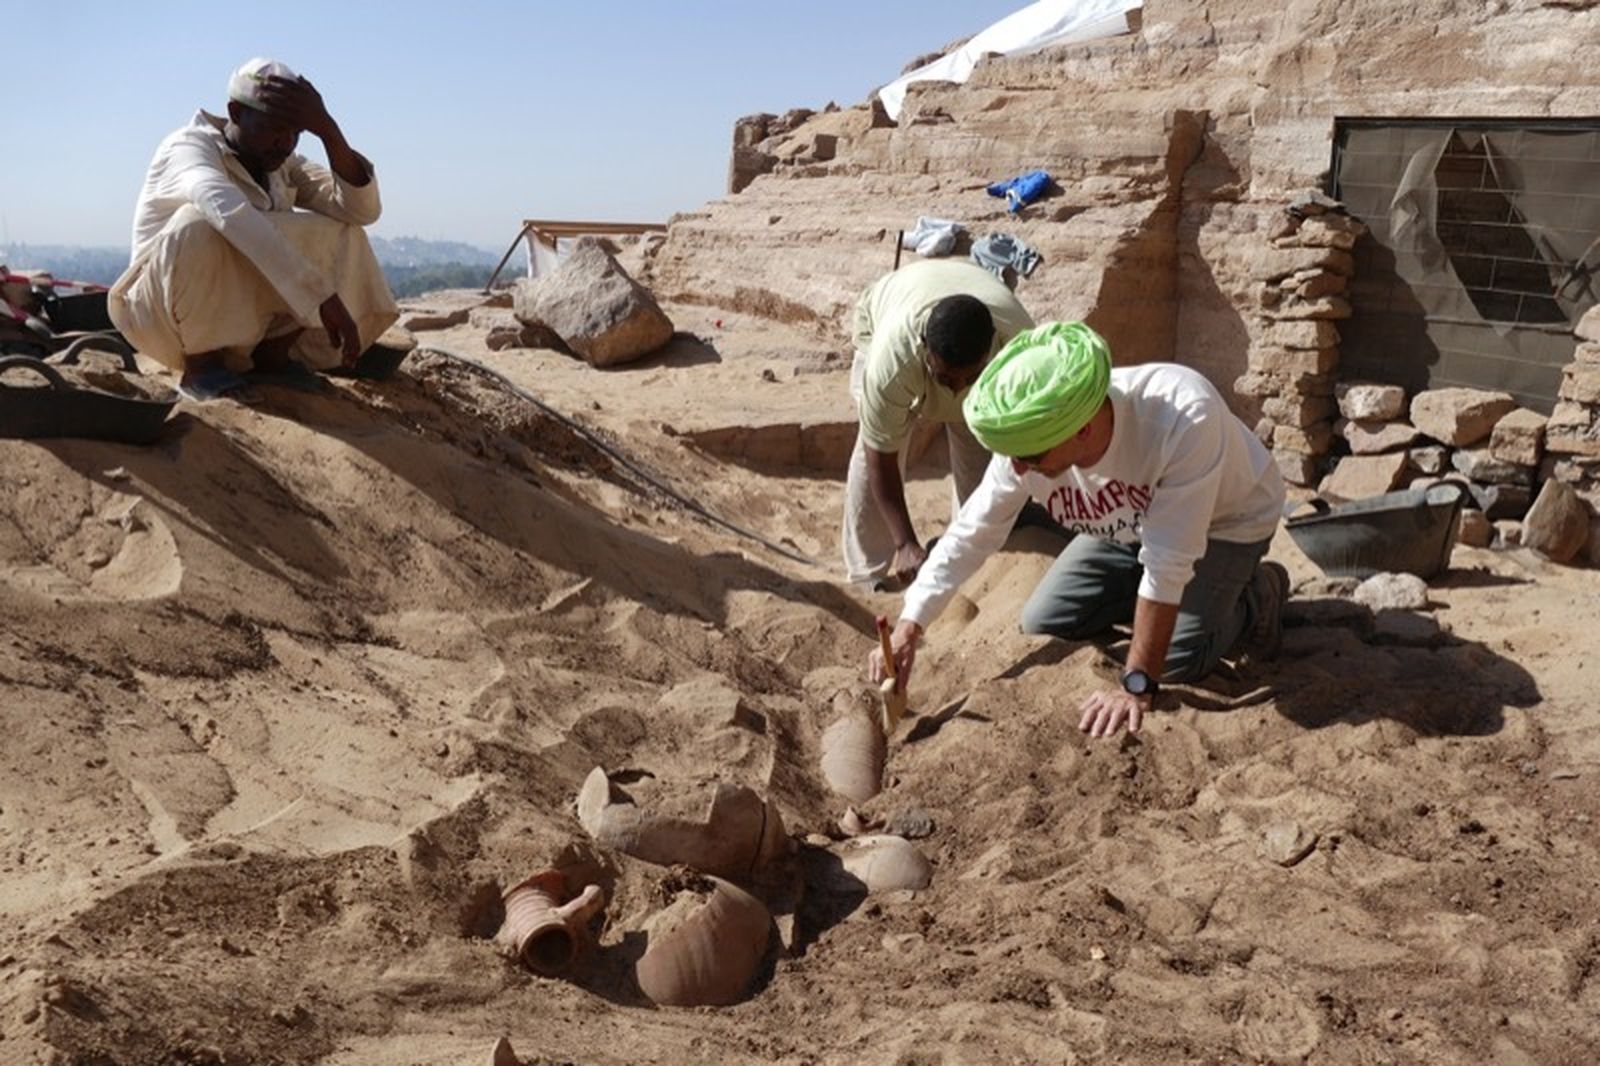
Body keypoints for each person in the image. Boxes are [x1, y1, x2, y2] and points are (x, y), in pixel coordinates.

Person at [871, 321, 1289, 739]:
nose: (1017, 469)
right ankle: (1160, 606)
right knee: (1044, 621)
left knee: (1177, 661)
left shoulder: (1181, 416)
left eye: (1030, 458)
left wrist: (1136, 686)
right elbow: (972, 532)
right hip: (1127, 526)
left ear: (1083, 429)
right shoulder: (1029, 435)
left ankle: (1259, 594)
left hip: (1226, 523)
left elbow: (1167, 566)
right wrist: (911, 623)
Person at [108, 57, 400, 400]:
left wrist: (327, 129)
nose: (285, 142)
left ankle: (271, 358)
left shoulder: (281, 163)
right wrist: (320, 295)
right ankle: (202, 367)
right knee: (198, 225)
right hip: (159, 319)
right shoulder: (187, 148)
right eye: (274, 129)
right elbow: (230, 214)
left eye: (296, 132)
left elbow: (360, 210)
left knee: (341, 232)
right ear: (235, 113)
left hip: (243, 327)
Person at [842, 258, 1034, 589]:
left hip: (972, 298)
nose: (957, 388)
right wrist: (905, 543)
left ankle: (967, 553)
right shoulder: (892, 362)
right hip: (888, 307)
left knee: (980, 457)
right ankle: (867, 571)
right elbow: (880, 453)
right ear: (924, 347)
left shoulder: (1019, 348)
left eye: (969, 377)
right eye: (945, 378)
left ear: (990, 349)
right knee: (878, 441)